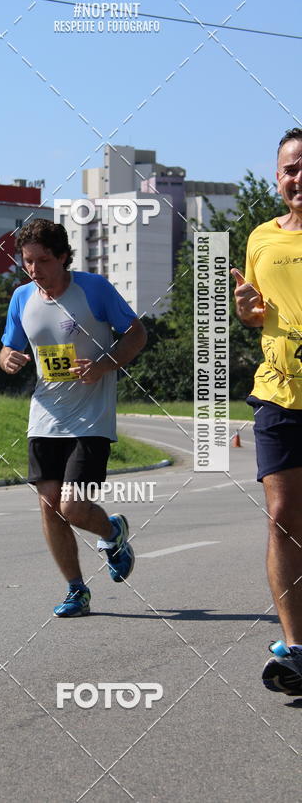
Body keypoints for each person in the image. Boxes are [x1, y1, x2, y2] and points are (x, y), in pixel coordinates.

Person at [0, 218, 147, 617]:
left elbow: (136, 334)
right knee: (49, 505)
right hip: (44, 415)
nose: (34, 270)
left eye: (43, 260)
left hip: (91, 418)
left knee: (73, 508)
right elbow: (7, 347)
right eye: (27, 261)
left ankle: (112, 532)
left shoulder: (93, 289)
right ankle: (76, 590)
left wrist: (102, 365)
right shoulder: (21, 299)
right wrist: (8, 358)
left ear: (63, 257)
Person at [231, 127, 302, 696]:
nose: (298, 178)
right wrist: (248, 309)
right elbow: (256, 314)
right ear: (278, 176)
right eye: (290, 168)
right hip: (279, 394)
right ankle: (297, 646)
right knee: (282, 516)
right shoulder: (259, 238)